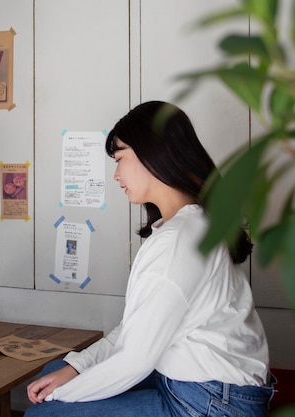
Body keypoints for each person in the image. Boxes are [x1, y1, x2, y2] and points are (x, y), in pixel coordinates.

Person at [25, 101, 274, 417]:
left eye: (119, 160)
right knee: (59, 367)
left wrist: (62, 396)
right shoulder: (191, 224)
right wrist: (76, 367)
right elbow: (133, 330)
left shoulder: (177, 241)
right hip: (207, 388)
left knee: (42, 413)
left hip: (211, 403)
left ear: (151, 154)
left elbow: (135, 359)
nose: (116, 175)